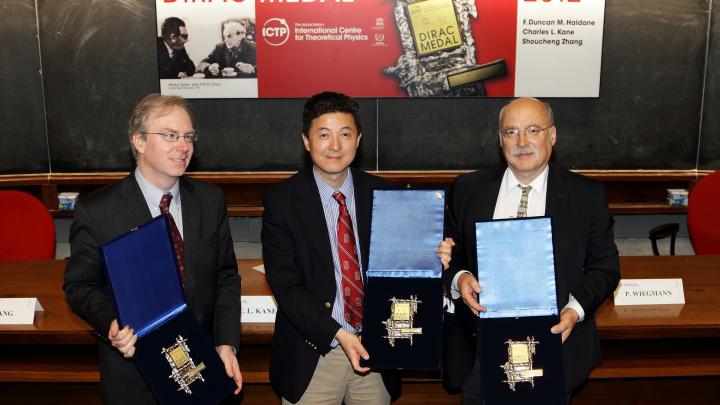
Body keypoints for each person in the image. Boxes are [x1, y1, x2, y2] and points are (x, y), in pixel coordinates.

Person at [261, 91, 454, 404]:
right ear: (307, 141)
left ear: (358, 140)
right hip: (316, 352)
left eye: (345, 134)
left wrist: (436, 254)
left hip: (378, 349)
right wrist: (339, 334)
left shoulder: (384, 195)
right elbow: (287, 288)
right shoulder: (282, 202)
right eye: (324, 135)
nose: (335, 146)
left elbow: (406, 268)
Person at [63, 94, 242, 404]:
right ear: (139, 142)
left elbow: (225, 276)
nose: (184, 145)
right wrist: (111, 324)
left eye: (188, 136)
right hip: (135, 372)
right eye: (170, 135)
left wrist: (226, 344)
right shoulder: (98, 211)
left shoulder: (210, 201)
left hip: (201, 364)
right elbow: (80, 286)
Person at [443, 97, 620, 404]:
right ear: (500, 140)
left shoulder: (585, 195)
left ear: (552, 135)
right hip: (480, 351)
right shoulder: (468, 189)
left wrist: (573, 311)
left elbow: (605, 267)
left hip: (555, 344)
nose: (521, 141)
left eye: (533, 130)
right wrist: (460, 277)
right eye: (511, 132)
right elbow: (451, 253)